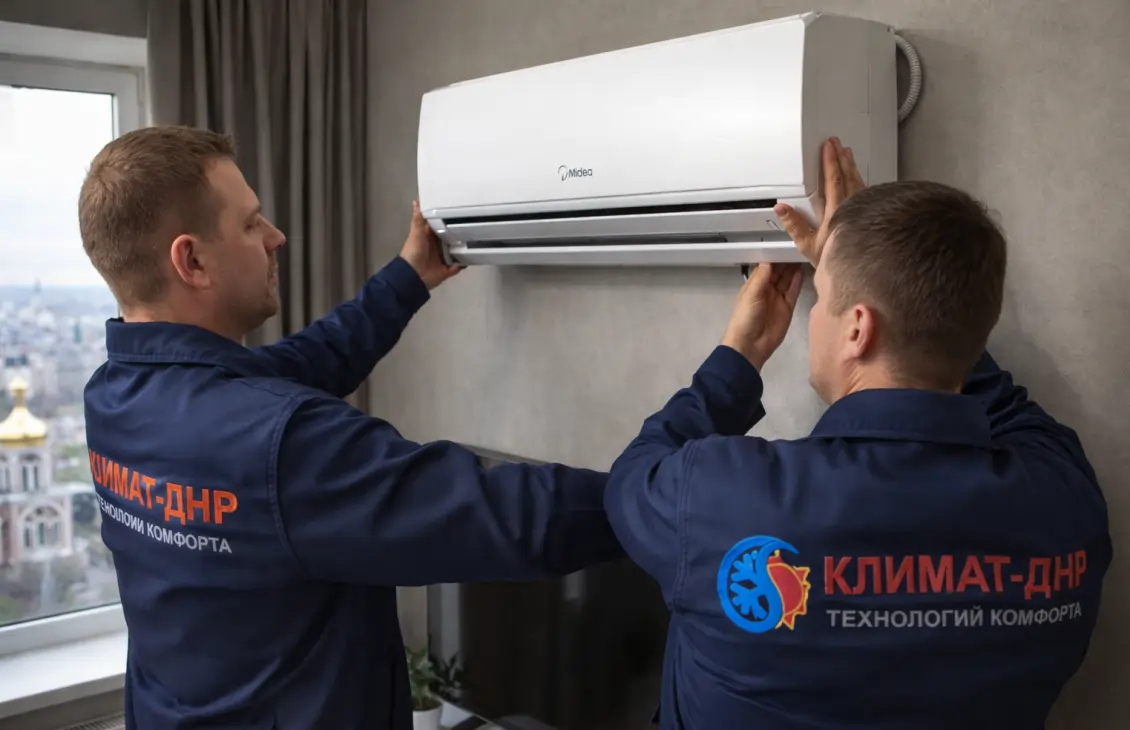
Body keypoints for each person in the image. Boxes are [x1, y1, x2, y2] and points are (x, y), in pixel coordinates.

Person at [78, 124, 625, 730]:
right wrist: (667, 492)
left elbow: (306, 362)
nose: (276, 237)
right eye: (252, 224)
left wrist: (409, 276)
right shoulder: (281, 444)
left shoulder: (114, 396)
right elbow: (506, 516)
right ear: (193, 260)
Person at [605, 138, 1112, 729]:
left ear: (857, 330)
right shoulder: (1065, 497)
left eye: (822, 298)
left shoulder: (721, 496)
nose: (814, 315)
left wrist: (739, 357)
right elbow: (977, 371)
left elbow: (630, 478)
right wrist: (902, 280)